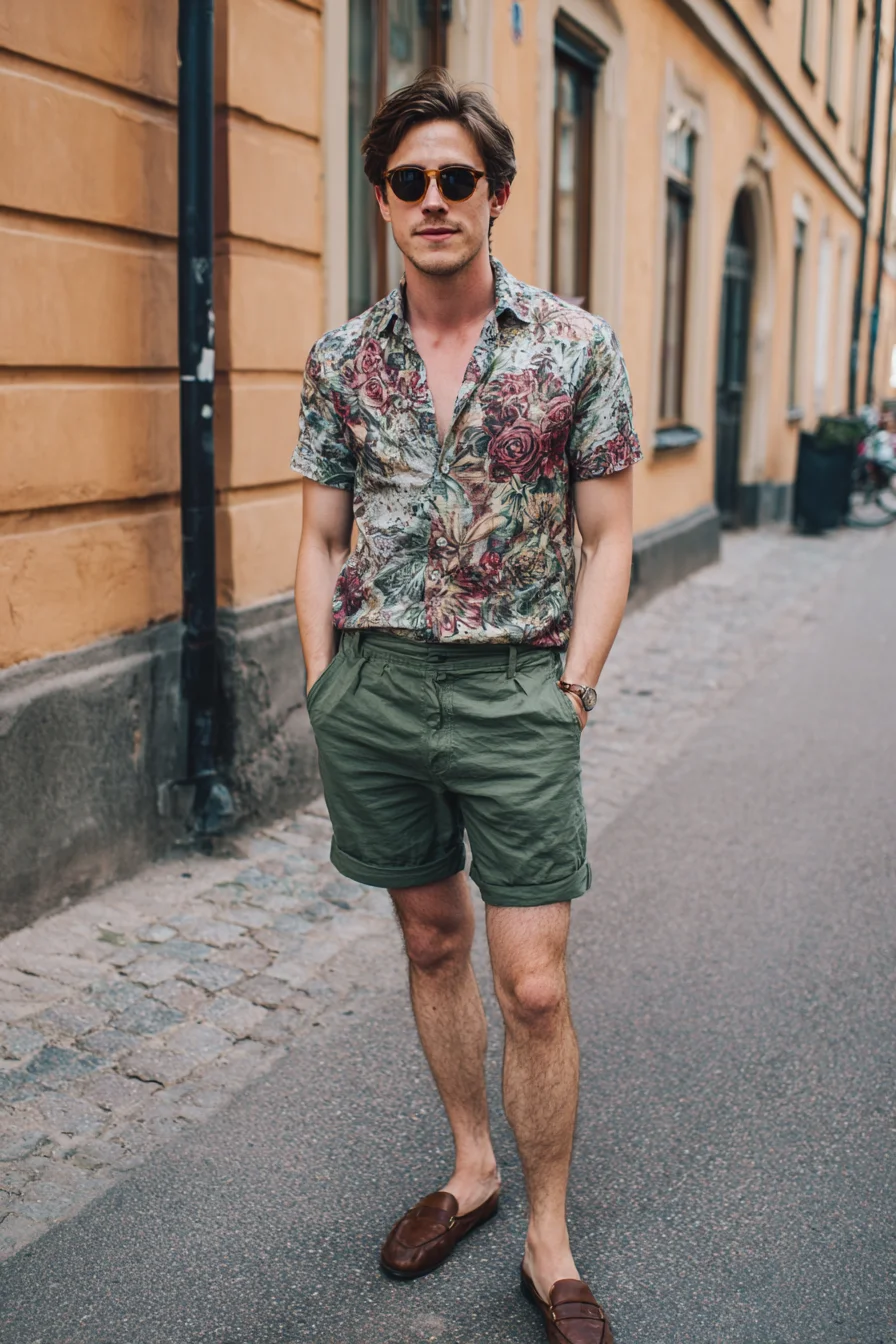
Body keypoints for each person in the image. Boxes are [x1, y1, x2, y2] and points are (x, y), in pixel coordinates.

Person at [292, 66, 640, 1344]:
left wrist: (573, 687)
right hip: (376, 685)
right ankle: (469, 1168)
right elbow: (319, 529)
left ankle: (547, 1240)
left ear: (494, 194)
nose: (433, 200)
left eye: (456, 179)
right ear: (384, 197)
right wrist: (325, 682)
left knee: (532, 985)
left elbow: (607, 537)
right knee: (430, 941)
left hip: (514, 689)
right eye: (408, 180)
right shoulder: (342, 358)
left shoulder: (572, 347)